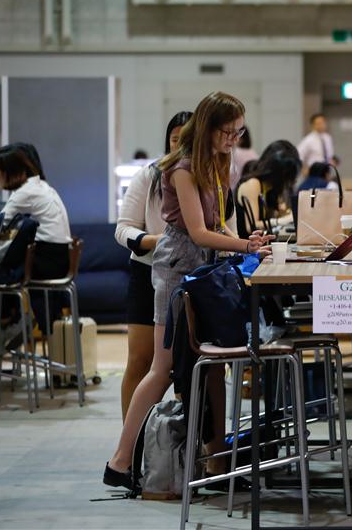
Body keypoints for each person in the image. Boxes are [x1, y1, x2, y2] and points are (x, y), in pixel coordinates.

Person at [104, 91, 273, 491]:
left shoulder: (217, 162)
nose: (236, 139)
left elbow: (218, 225)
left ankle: (214, 463)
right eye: (229, 132)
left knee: (210, 366)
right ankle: (121, 459)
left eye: (239, 131)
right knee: (161, 369)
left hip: (203, 271)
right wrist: (245, 246)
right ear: (210, 128)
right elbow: (197, 232)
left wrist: (248, 239)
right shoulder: (180, 167)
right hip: (175, 271)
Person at [113, 111, 189, 420]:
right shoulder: (150, 174)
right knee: (141, 360)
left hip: (194, 278)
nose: (181, 147)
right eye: (175, 140)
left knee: (188, 365)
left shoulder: (212, 176)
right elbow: (123, 229)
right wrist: (156, 241)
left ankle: (184, 445)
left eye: (189, 141)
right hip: (148, 272)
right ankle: (131, 444)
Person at [0, 145, 72, 341]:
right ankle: (15, 320)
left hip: (46, 262)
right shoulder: (42, 187)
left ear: (12, 172)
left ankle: (12, 321)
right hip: (59, 259)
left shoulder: (23, 194)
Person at [236, 144, 301, 235]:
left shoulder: (268, 187)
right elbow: (251, 227)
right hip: (246, 246)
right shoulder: (253, 184)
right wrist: (283, 220)